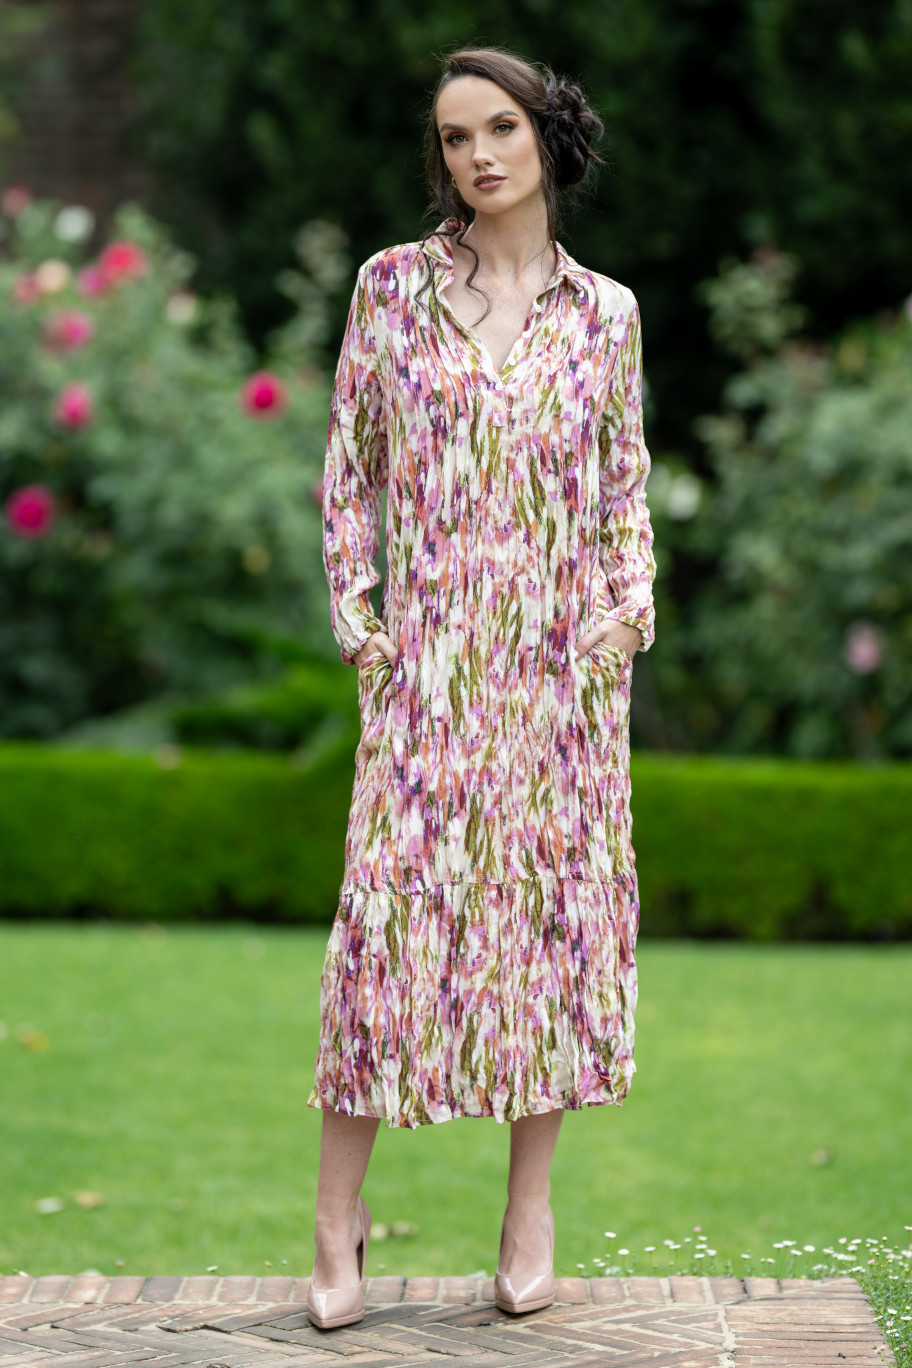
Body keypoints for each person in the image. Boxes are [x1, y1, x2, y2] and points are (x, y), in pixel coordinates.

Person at [305, 43, 657, 1330]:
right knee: (384, 929)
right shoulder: (391, 290)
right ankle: (335, 1225)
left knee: (549, 931)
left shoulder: (606, 315)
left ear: (544, 136)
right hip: (429, 675)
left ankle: (529, 1211)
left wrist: (626, 614)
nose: (478, 156)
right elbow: (351, 471)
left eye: (498, 127)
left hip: (562, 682)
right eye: (456, 138)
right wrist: (365, 626)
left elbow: (623, 490)